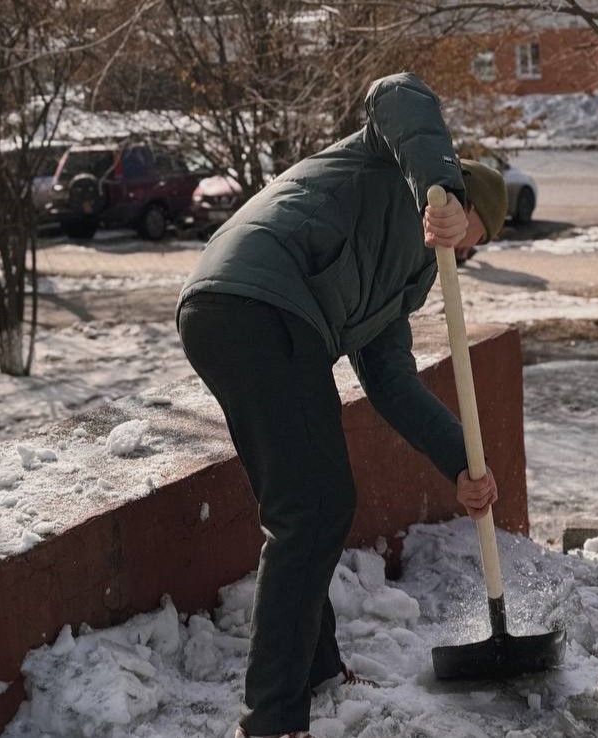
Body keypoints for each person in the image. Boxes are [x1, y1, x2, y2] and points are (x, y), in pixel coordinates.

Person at [176, 72, 508, 738]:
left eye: (473, 246)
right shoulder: (390, 162)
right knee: (315, 508)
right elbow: (398, 91)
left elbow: (391, 382)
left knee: (305, 509)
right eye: (476, 234)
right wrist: (439, 186)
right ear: (466, 204)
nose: (468, 250)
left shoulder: (409, 279)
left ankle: (316, 671)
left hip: (252, 319)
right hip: (255, 301)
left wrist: (463, 464)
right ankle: (270, 721)